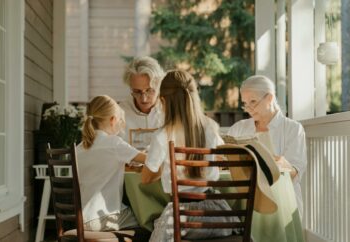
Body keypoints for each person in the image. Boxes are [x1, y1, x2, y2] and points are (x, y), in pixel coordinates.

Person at [142, 70, 238, 241]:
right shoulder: (211, 127)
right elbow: (220, 159)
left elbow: (146, 178)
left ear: (163, 101)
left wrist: (166, 165)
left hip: (182, 220)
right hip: (218, 217)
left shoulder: (163, 135)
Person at [227, 75, 307, 216]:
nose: (248, 108)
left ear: (269, 98)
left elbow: (296, 171)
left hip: (281, 199)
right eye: (245, 103)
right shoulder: (238, 128)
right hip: (246, 197)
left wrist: (283, 165)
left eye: (253, 101)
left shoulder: (293, 128)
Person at [76, 95, 146, 231]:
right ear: (113, 120)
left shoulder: (79, 148)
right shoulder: (114, 143)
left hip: (82, 219)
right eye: (120, 120)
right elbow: (150, 160)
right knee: (148, 222)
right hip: (105, 217)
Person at [119, 56, 165, 142]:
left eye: (149, 90)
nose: (143, 99)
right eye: (137, 91)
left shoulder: (169, 111)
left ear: (159, 86)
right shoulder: (120, 113)